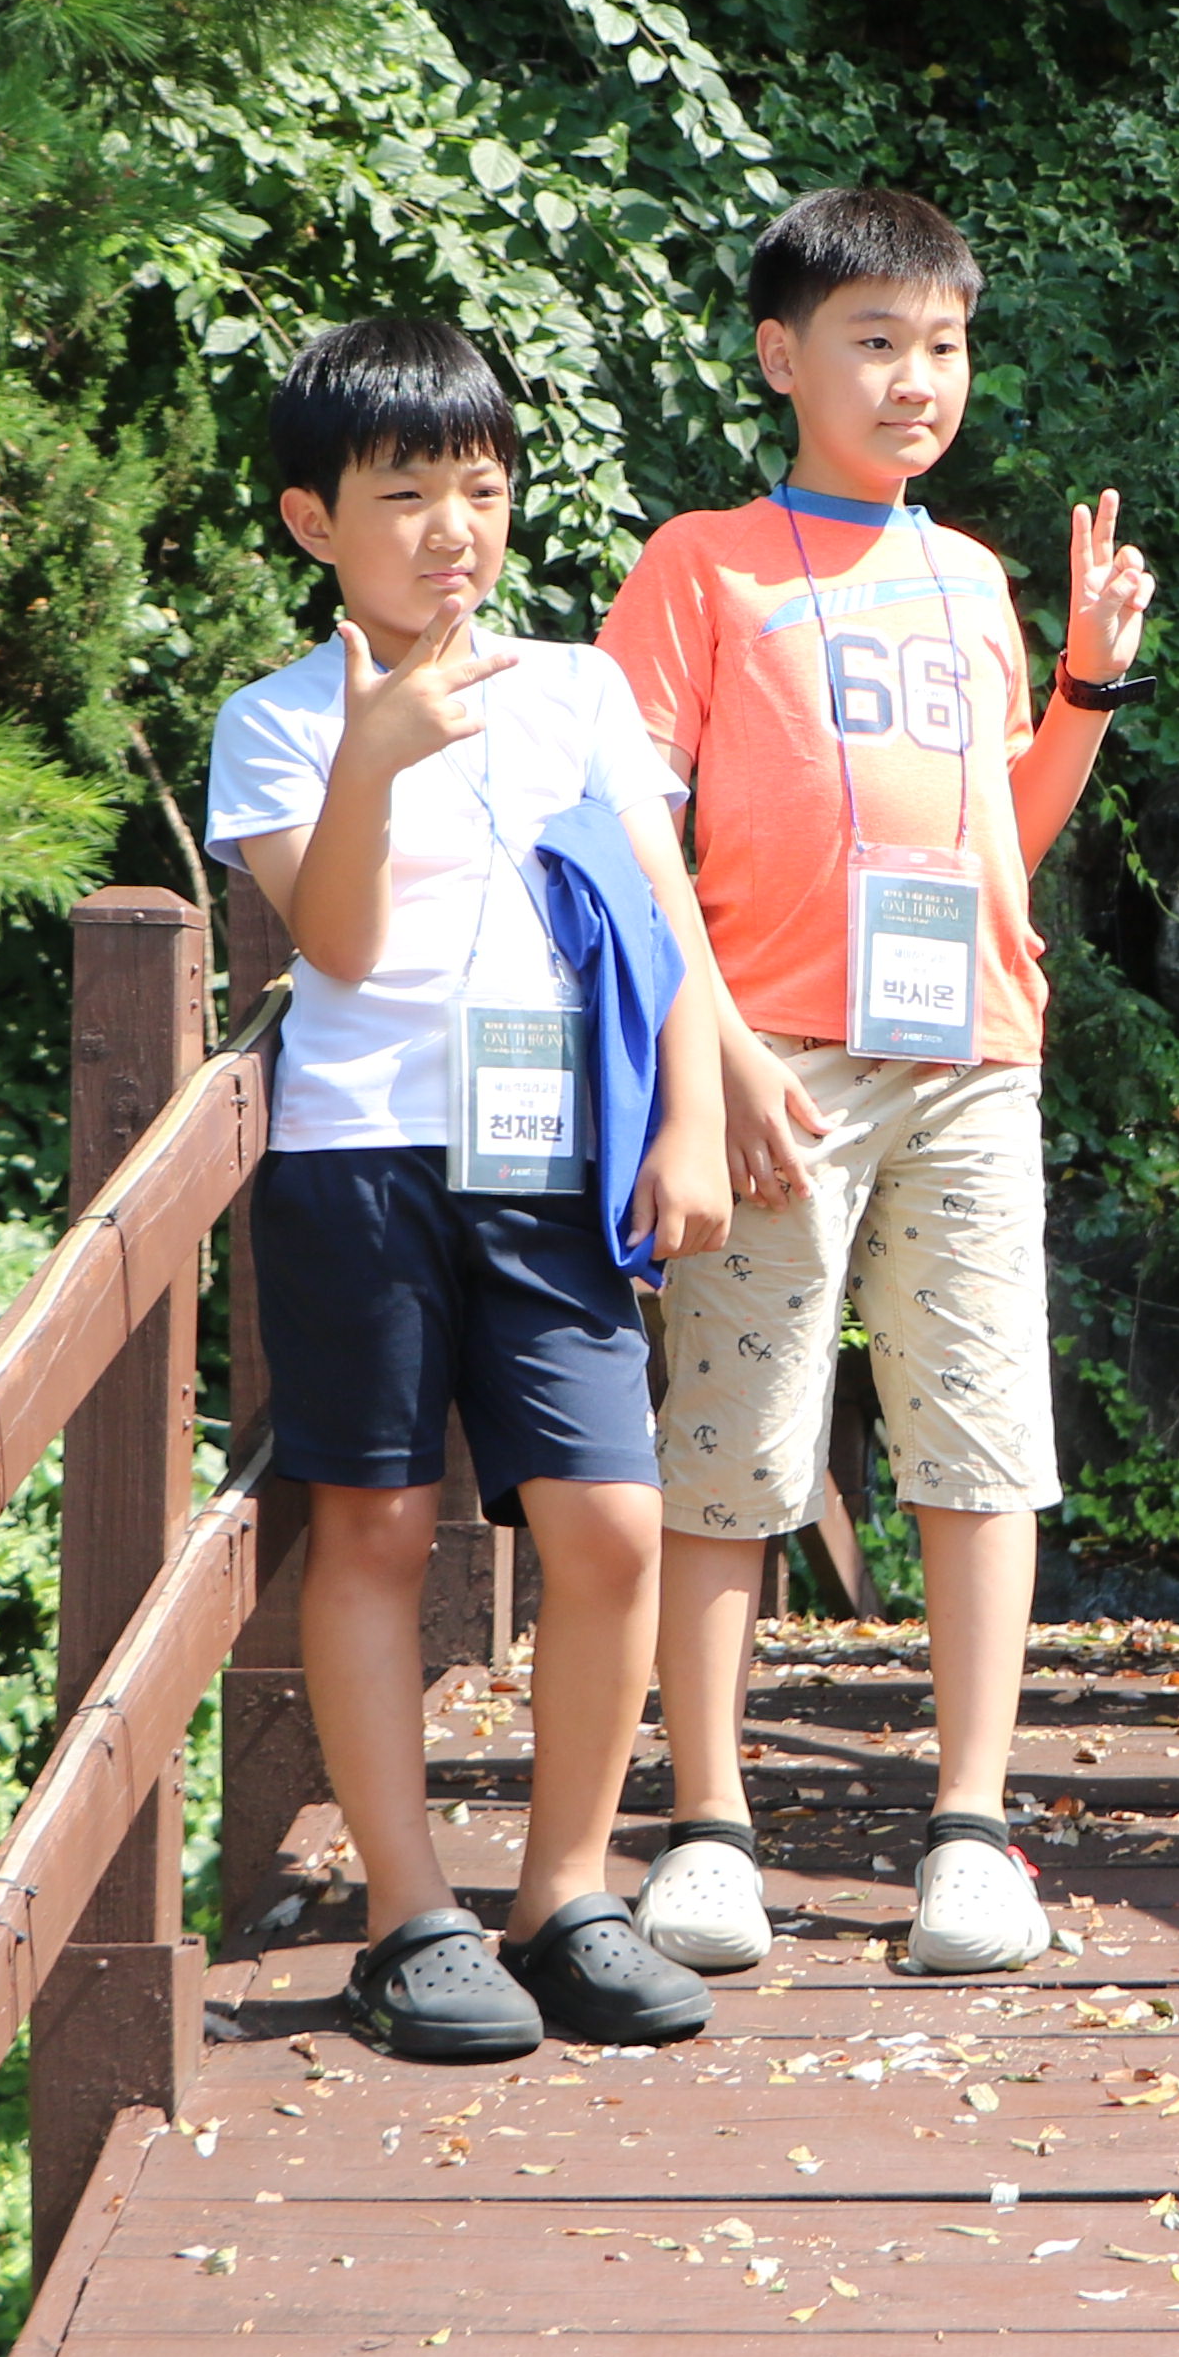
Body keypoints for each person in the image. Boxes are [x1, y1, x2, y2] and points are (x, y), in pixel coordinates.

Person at [604, 186, 1158, 1978]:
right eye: (877, 342)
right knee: (733, 1445)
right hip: (774, 1067)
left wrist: (1087, 687)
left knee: (981, 1442)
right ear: (783, 358)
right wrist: (717, 1060)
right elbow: (629, 834)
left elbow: (1005, 847)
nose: (920, 379)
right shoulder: (702, 564)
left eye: (944, 344)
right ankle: (708, 1826)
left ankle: (973, 1829)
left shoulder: (976, 576)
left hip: (972, 1059)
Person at [206, 318, 743, 2063]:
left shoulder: (577, 691)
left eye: (484, 490)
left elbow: (658, 925)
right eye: (408, 494)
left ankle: (566, 1897)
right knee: (372, 1526)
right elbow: (342, 949)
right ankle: (410, 1917)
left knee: (612, 1524)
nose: (454, 528)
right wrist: (375, 753)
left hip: (546, 1164)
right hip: (356, 1162)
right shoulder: (275, 725)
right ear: (314, 522)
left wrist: (686, 1118)